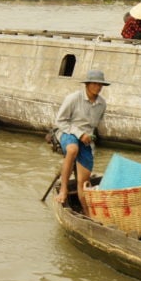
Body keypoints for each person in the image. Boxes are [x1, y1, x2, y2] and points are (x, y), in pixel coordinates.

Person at [54, 70, 111, 209]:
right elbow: (60, 121)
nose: (98, 87)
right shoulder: (73, 98)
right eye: (95, 84)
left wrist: (89, 138)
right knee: (73, 149)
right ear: (87, 84)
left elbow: (95, 127)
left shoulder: (102, 104)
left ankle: (86, 212)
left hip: (86, 138)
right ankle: (63, 189)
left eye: (100, 85)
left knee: (83, 181)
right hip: (68, 131)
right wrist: (79, 134)